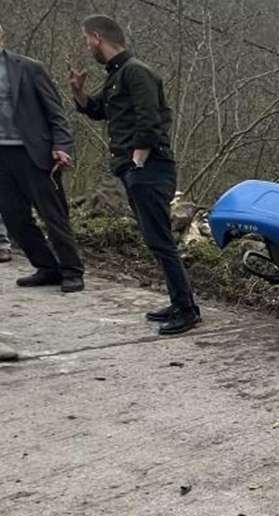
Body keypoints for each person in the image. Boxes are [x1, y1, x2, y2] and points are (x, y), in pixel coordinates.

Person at [70, 15, 199, 335]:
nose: (87, 47)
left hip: (150, 169)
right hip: (135, 170)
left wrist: (139, 159)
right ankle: (179, 301)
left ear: (98, 37)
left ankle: (187, 310)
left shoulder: (136, 72)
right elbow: (98, 110)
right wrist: (79, 92)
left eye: (87, 40)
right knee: (156, 241)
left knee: (161, 241)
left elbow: (149, 118)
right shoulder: (117, 76)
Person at [0, 22, 84, 291]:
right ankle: (47, 267)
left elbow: (55, 112)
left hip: (34, 152)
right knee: (13, 217)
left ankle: (72, 270)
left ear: (2, 37)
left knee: (53, 215)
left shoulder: (28, 68)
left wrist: (62, 145)